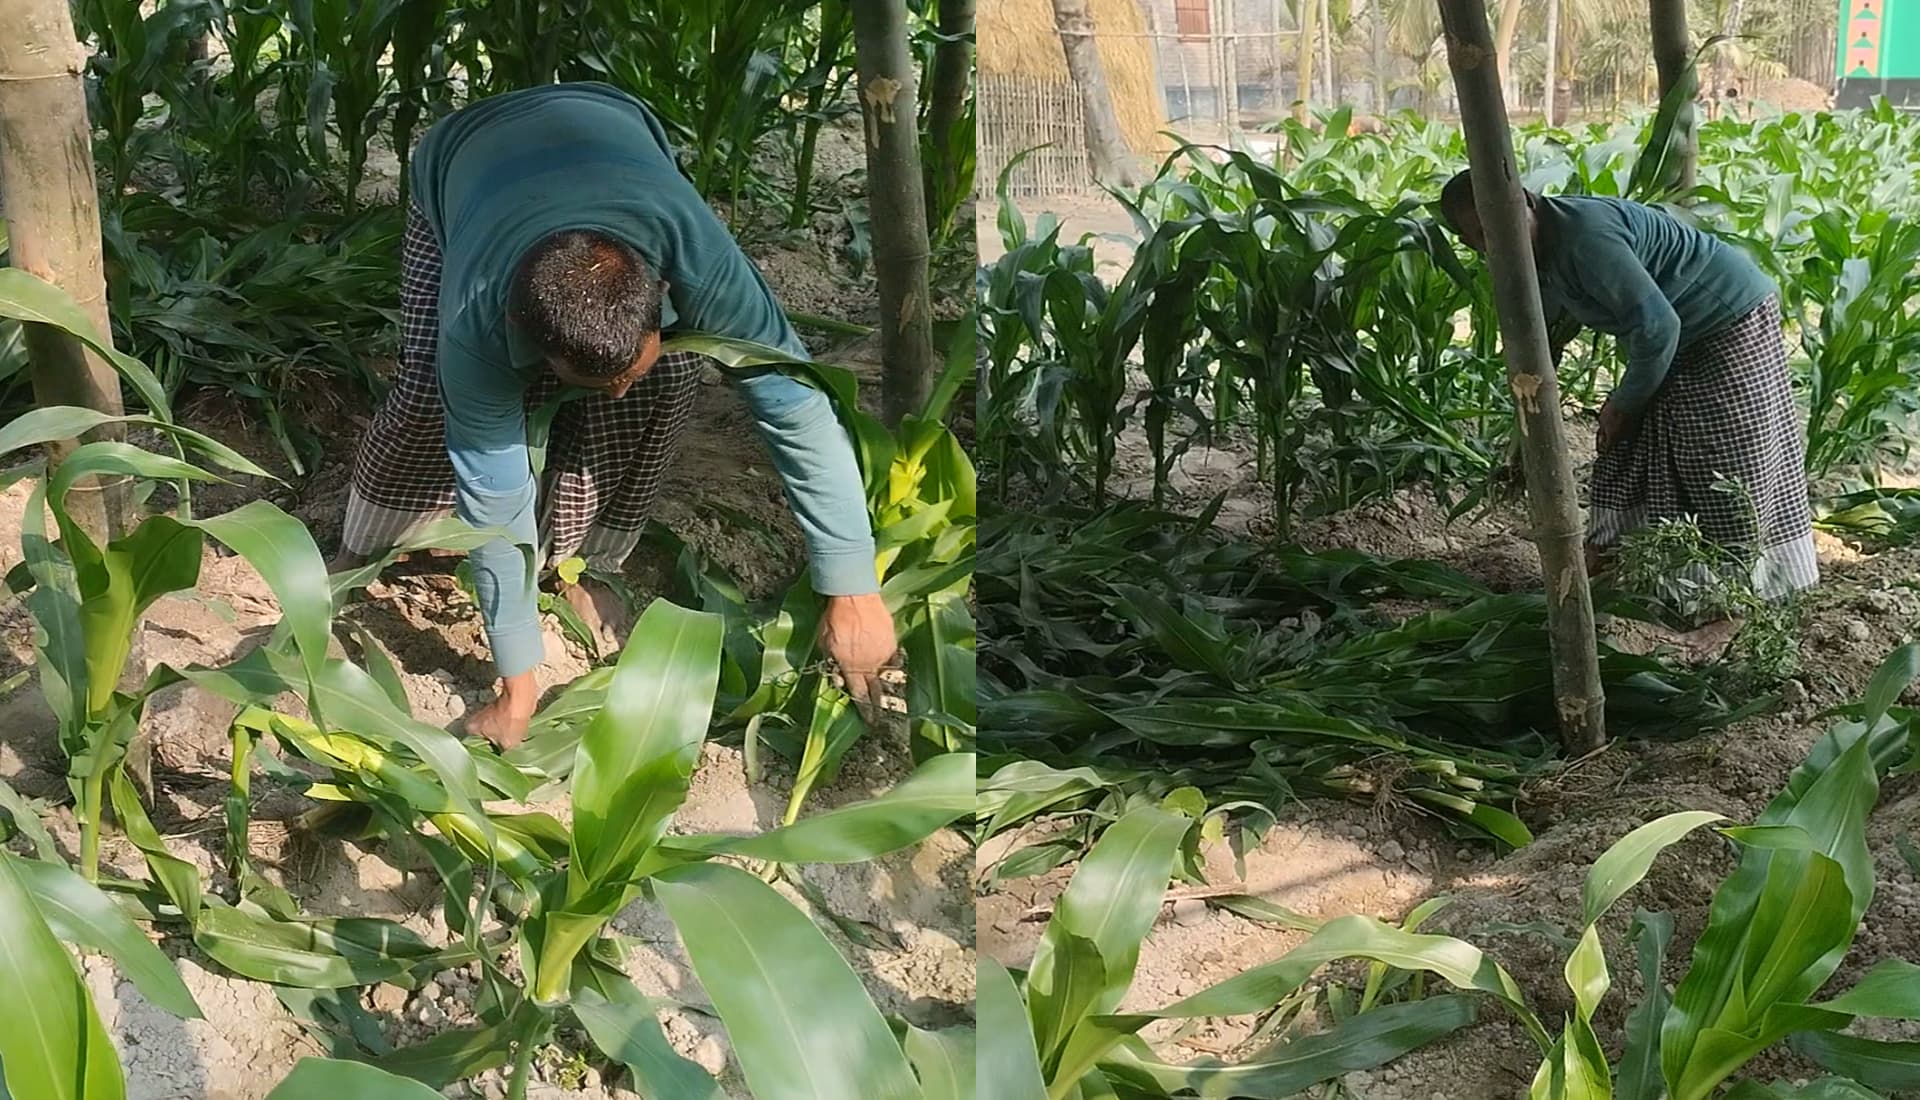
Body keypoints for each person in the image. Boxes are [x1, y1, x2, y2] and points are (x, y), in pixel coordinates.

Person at [331, 81, 897, 748]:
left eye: (630, 366)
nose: (620, 391)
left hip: (613, 122)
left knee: (670, 379)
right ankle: (363, 552)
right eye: (594, 375)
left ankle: (587, 564)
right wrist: (517, 685)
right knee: (430, 393)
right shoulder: (477, 321)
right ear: (522, 331)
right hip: (463, 159)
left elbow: (795, 407)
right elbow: (494, 499)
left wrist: (854, 589)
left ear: (661, 290)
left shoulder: (693, 251)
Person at [1436, 171, 1817, 613]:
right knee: (1630, 449)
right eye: (1485, 233)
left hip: (1726, 321)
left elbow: (1659, 325)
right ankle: (1615, 559)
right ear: (1471, 243)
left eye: (1507, 217)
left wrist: (1623, 402)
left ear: (1528, 201)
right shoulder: (1526, 256)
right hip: (1671, 336)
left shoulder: (1585, 238)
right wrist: (1527, 430)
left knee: (1722, 462)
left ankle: (1744, 601)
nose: (1502, 236)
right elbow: (1547, 333)